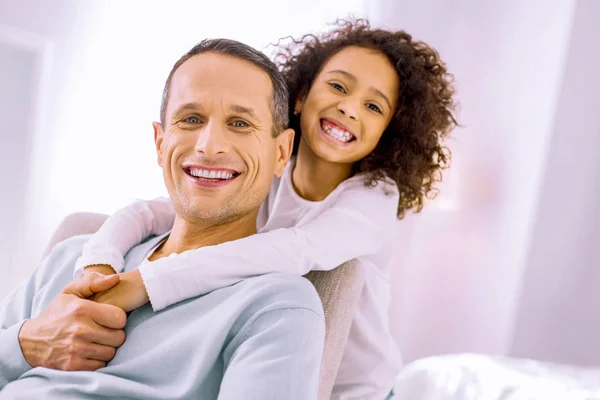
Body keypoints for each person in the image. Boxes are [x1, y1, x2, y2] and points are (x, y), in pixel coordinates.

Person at [76, 18, 458, 400]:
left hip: (355, 392)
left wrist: (145, 283)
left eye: (373, 106)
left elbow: (296, 249)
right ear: (301, 96)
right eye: (338, 86)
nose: (349, 109)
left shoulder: (374, 200)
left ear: (387, 132)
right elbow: (151, 212)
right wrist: (98, 265)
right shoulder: (269, 167)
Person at [0, 38, 325, 399]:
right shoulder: (71, 259)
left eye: (239, 123)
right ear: (160, 142)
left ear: (281, 152)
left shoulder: (276, 306)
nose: (209, 145)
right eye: (191, 119)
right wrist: (27, 344)